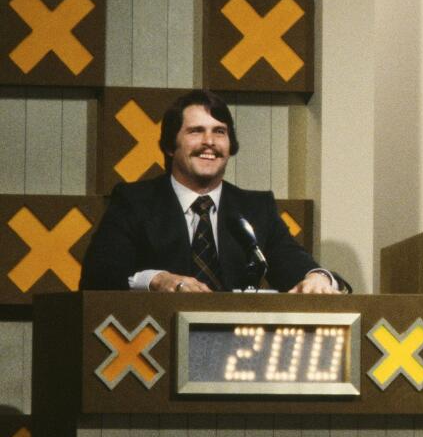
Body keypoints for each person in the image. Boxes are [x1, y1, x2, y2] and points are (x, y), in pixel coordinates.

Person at [81, 89, 346, 294]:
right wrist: (157, 279)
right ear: (170, 146)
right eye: (196, 131)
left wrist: (318, 277)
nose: (209, 142)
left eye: (219, 132)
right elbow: (98, 277)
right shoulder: (134, 202)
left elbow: (291, 261)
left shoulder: (256, 208)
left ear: (230, 145)